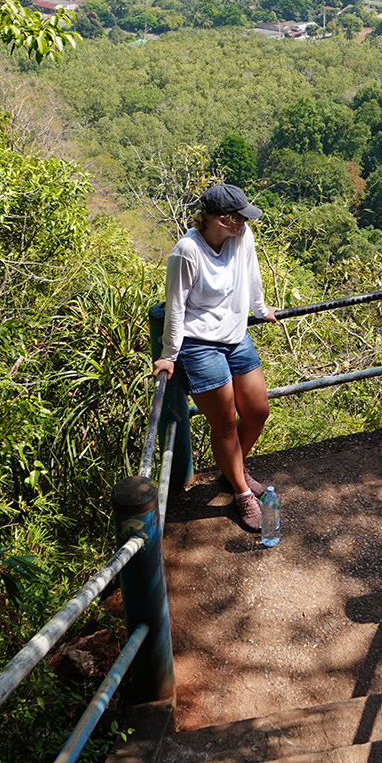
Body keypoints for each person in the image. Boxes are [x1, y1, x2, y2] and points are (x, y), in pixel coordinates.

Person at [152, 183, 278, 531]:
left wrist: (260, 308)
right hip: (199, 344)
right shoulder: (187, 252)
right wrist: (169, 355)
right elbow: (175, 307)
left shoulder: (242, 235)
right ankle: (241, 492)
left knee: (257, 412)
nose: (245, 222)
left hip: (236, 335)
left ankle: (232, 469)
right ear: (223, 219)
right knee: (223, 424)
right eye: (240, 217)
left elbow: (251, 271)